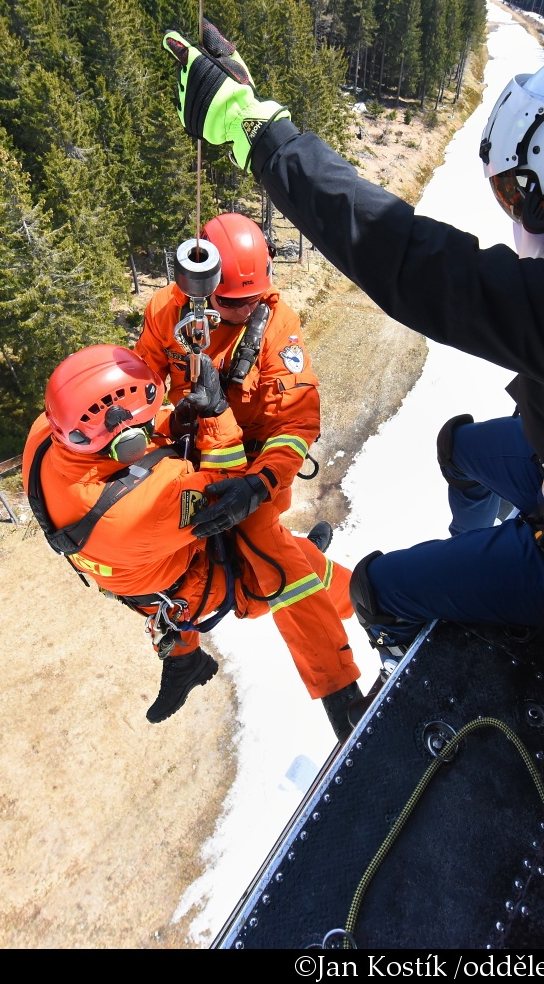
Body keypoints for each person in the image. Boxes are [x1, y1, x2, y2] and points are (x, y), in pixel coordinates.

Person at [160, 22, 544, 656]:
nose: (519, 211)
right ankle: (479, 556)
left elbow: (417, 266)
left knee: (379, 590)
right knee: (461, 450)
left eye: (520, 192)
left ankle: (473, 643)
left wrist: (259, 134)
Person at [22, 343, 359, 731]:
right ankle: (369, 599)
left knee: (174, 592)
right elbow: (228, 490)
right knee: (288, 565)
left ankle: (185, 660)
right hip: (193, 580)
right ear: (123, 439)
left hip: (141, 576)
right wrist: (217, 415)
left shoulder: (44, 435)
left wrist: (174, 420)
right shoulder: (143, 506)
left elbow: (135, 443)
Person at [134, 213, 364, 736]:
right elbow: (144, 382)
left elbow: (297, 421)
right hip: (189, 454)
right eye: (231, 301)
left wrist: (257, 485)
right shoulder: (167, 312)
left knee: (271, 570)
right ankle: (184, 658)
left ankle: (340, 690)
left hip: (254, 467)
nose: (242, 310)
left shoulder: (275, 327)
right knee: (158, 567)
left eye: (250, 300)